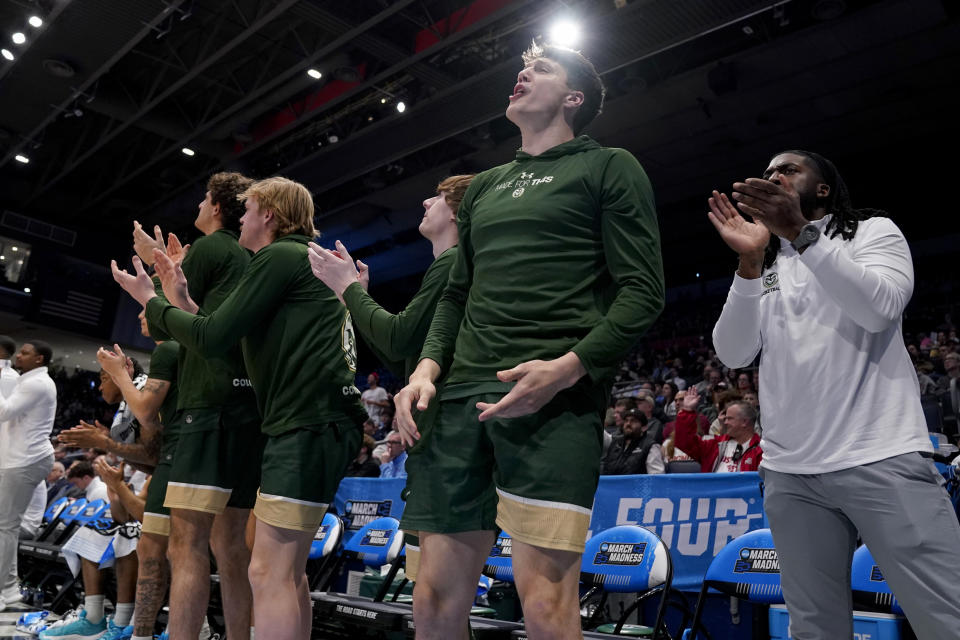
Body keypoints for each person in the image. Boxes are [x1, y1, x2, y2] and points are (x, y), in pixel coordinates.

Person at [393, 42, 664, 640]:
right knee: (434, 599)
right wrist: (426, 369)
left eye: (542, 68)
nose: (523, 72)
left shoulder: (608, 165)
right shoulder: (486, 186)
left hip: (553, 402)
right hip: (460, 397)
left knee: (544, 602)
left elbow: (643, 292)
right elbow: (455, 296)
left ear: (574, 97)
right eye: (524, 66)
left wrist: (569, 369)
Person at [709, 149, 960, 637]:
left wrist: (802, 236)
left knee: (947, 614)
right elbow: (735, 353)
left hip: (879, 454)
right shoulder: (767, 263)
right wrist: (749, 261)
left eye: (788, 170)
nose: (773, 177)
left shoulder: (872, 232)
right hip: (791, 473)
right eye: (766, 174)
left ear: (822, 188)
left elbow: (879, 309)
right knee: (814, 628)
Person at [113, 175, 363, 640]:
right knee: (283, 571)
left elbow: (210, 338)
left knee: (264, 569)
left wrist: (150, 298)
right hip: (312, 422)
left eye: (248, 210)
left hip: (301, 422)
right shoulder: (300, 260)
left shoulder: (278, 255)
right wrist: (181, 294)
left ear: (268, 215)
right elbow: (225, 331)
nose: (240, 217)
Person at [127, 172, 261, 640]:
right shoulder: (253, 254)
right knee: (233, 551)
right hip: (251, 408)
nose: (199, 206)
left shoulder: (212, 248)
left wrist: (155, 266)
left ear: (218, 207)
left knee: (186, 545)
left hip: (207, 407)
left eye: (204, 198)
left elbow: (164, 322)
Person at [308, 174, 474, 385]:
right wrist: (351, 296)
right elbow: (400, 362)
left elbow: (398, 341)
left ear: (457, 212)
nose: (426, 201)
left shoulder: (453, 260)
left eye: (440, 196)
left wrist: (349, 286)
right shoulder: (454, 261)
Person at [0, 340, 56, 613]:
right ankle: (8, 591)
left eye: (24, 352)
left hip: (27, 459)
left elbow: (3, 412)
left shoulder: (37, 383)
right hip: (20, 458)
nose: (18, 355)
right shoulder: (29, 380)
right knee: (5, 527)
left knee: (4, 527)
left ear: (39, 359)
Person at [674, 392, 761, 472]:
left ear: (744, 422)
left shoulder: (761, 451)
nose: (725, 422)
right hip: (711, 489)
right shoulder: (714, 445)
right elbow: (684, 442)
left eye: (729, 419)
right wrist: (687, 411)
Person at [600, 408, 663, 475]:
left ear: (644, 427)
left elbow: (656, 477)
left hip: (635, 485)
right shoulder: (615, 443)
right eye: (626, 421)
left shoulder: (650, 446)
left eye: (633, 421)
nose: (628, 424)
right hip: (611, 484)